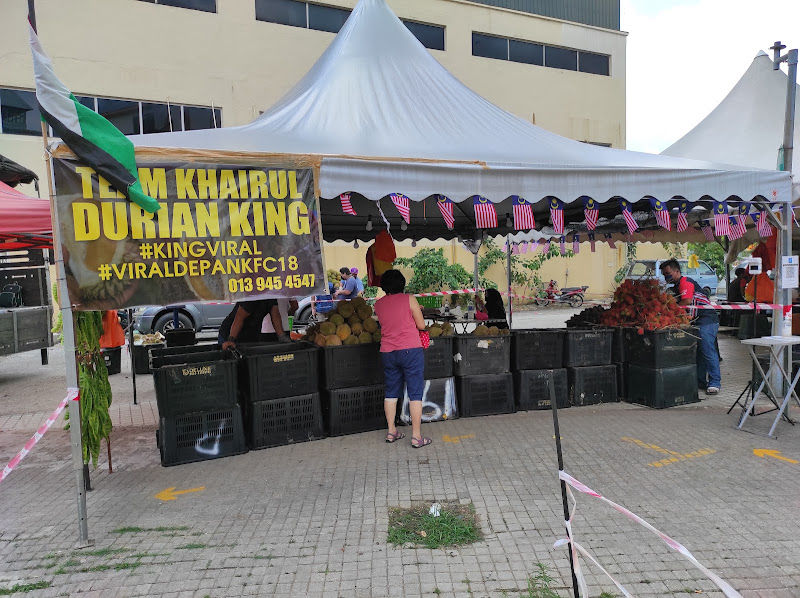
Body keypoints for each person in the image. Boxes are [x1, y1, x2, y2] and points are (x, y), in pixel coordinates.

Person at [373, 269, 430, 448]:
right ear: (402, 284)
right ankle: (416, 437)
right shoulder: (409, 299)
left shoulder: (378, 304)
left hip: (388, 351)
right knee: (415, 393)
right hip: (410, 350)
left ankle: (392, 431)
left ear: (384, 286)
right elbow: (421, 325)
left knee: (391, 391)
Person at [659, 259, 720, 395]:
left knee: (707, 350)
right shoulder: (673, 288)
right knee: (699, 352)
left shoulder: (685, 282)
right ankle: (700, 382)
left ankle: (715, 382)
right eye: (664, 275)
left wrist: (670, 310)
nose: (666, 277)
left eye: (668, 273)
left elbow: (686, 301)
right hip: (695, 321)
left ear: (677, 271)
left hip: (707, 320)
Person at [219, 299, 288, 350]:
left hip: (251, 336)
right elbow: (239, 318)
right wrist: (231, 340)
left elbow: (275, 315)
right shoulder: (252, 297)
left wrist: (282, 337)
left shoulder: (270, 295)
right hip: (230, 333)